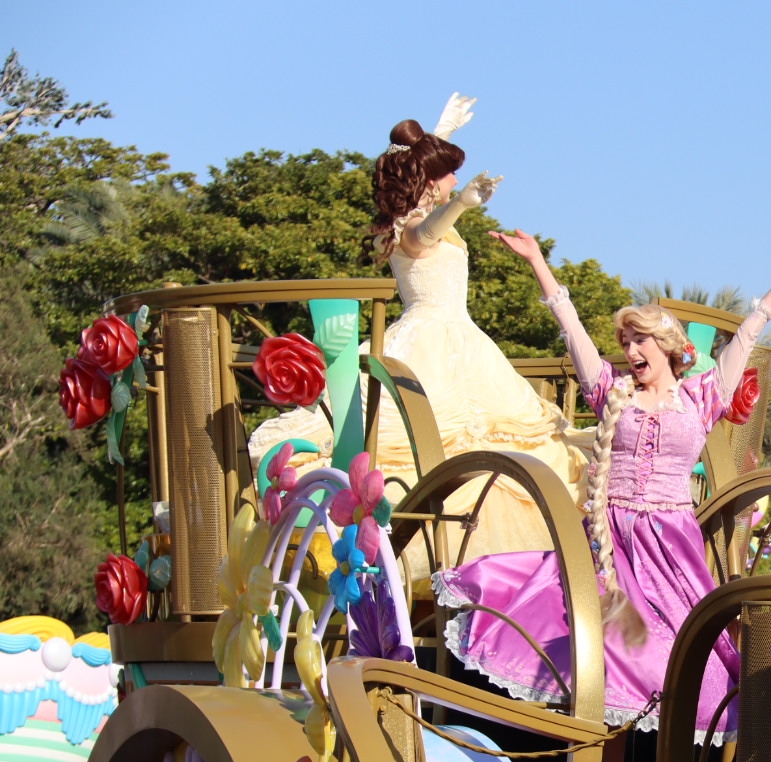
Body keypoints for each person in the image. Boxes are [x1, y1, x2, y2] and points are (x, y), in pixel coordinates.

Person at [435, 232, 771, 762]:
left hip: (671, 550)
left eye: (639, 339)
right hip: (609, 544)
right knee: (611, 650)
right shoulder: (611, 392)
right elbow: (570, 328)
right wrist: (538, 262)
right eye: (625, 341)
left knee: (688, 654)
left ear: (669, 347)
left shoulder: (702, 396)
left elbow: (748, 334)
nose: (629, 350)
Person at [249, 95, 590, 566]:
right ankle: (427, 554)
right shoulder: (408, 225)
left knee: (502, 441)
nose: (454, 181)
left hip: (465, 342)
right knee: (437, 444)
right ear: (430, 180)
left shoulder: (418, 208)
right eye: (448, 174)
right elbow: (423, 233)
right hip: (426, 344)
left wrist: (442, 132)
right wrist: (462, 204)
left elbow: (424, 183)